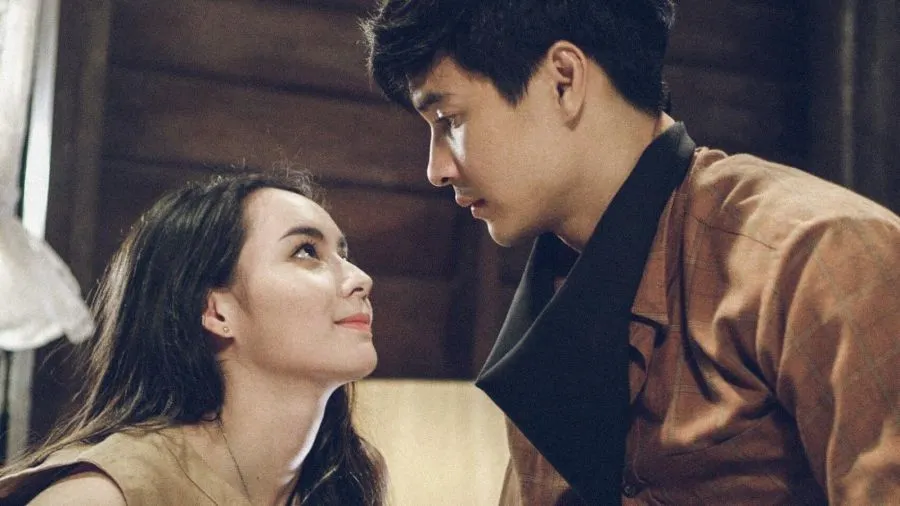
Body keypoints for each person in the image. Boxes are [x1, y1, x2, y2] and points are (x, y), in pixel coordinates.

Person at [362, 1, 900, 504]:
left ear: (563, 79)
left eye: (450, 121)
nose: (435, 169)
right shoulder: (551, 303)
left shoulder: (816, 254)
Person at [0, 171, 387, 505]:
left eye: (343, 254)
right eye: (305, 251)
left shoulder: (347, 480)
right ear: (216, 312)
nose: (361, 279)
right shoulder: (101, 496)